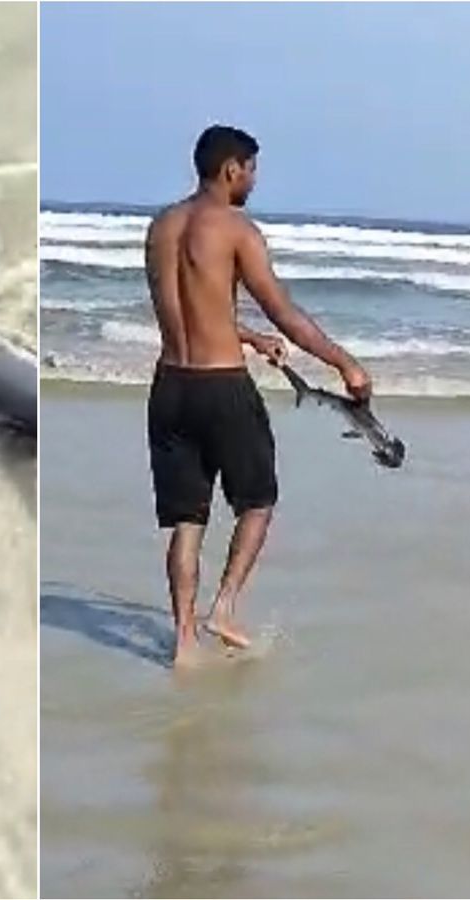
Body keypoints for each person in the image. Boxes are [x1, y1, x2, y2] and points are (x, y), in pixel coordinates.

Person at [143, 124, 371, 668]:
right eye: (251, 169)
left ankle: (183, 642)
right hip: (223, 389)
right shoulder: (236, 229)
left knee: (187, 520)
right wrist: (346, 364)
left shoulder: (161, 226)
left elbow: (187, 308)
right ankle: (223, 608)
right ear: (231, 169)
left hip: (171, 387)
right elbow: (285, 312)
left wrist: (246, 337)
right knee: (258, 502)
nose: (254, 180)